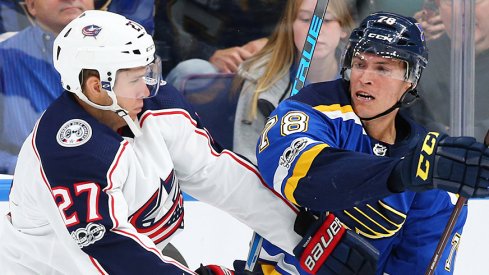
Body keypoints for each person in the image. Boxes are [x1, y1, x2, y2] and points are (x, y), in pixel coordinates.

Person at [0, 10, 379, 274]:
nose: (150, 86)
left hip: (150, 254)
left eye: (150, 71)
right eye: (136, 78)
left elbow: (214, 172)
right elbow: (109, 251)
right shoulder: (69, 154)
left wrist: (304, 233)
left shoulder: (153, 103)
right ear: (97, 86)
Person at [252, 11, 489, 274]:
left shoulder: (427, 163)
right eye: (360, 63)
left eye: (383, 68)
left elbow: (418, 265)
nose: (365, 77)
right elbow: (301, 176)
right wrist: (402, 173)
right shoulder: (311, 110)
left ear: (411, 80)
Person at [233, 0, 355, 164]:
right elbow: (246, 158)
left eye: (326, 20)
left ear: (344, 28)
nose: (315, 30)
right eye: (305, 19)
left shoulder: (362, 84)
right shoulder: (262, 80)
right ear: (290, 26)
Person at [405, 0, 489, 141]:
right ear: (439, 9)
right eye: (452, 2)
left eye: (476, 1)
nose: (463, 12)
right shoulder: (416, 62)